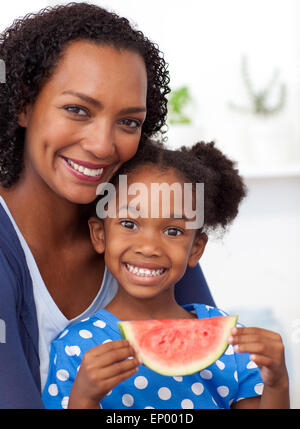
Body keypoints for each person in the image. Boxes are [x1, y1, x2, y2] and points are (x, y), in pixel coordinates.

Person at [0, 3, 213, 409]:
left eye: (128, 122)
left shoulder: (146, 228)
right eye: (77, 110)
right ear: (23, 104)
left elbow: (210, 379)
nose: (102, 145)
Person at [42, 139, 289, 409]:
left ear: (196, 249)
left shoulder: (233, 344)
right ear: (100, 235)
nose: (149, 248)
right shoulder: (74, 349)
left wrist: (278, 383)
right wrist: (84, 398)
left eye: (173, 231)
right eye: (129, 223)